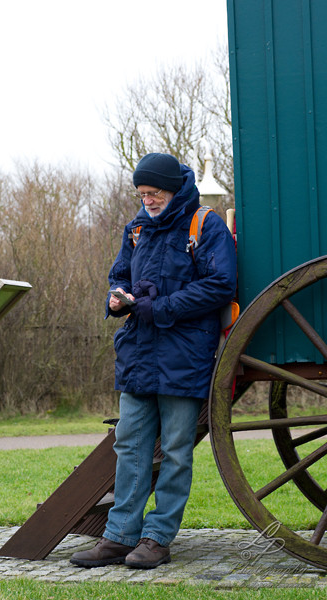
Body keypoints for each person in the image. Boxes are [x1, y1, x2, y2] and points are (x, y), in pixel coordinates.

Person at [70, 152, 237, 569]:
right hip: (139, 354)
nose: (148, 200)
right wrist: (117, 298)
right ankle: (119, 536)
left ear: (174, 188)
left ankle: (157, 539)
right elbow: (120, 274)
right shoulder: (136, 229)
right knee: (130, 446)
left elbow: (221, 284)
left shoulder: (205, 224)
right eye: (142, 193)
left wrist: (161, 307)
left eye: (154, 192)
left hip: (184, 354)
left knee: (177, 450)